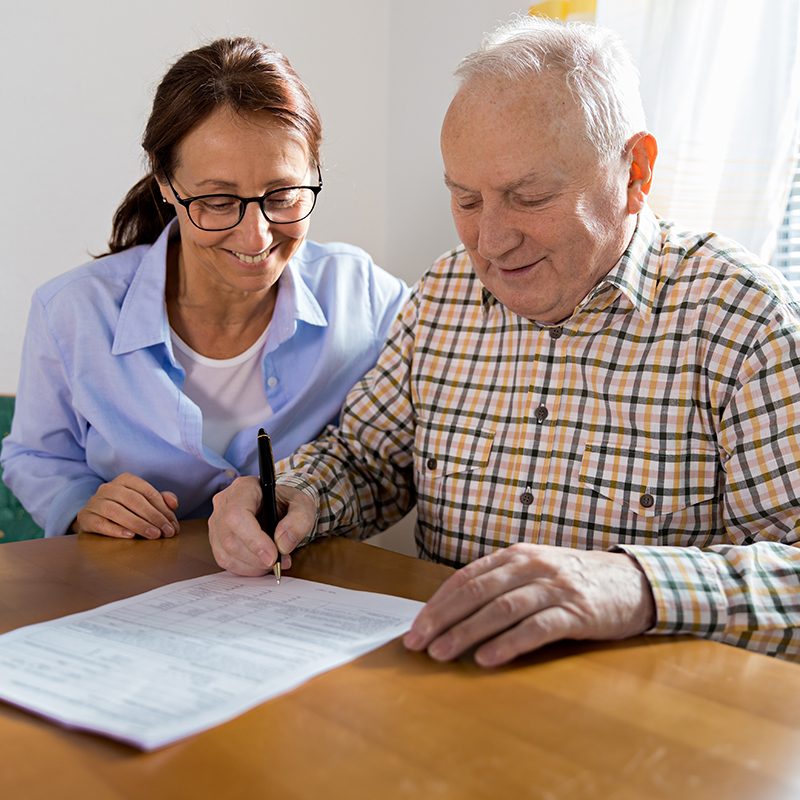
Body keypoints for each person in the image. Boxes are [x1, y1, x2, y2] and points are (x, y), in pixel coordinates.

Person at [207, 17, 800, 664]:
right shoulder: (444, 296)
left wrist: (640, 585)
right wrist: (295, 496)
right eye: (465, 200)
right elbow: (363, 461)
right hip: (444, 692)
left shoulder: (743, 321)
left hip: (646, 728)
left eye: (529, 197)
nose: (489, 243)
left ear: (635, 172)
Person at [0, 37, 407, 540]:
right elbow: (36, 454)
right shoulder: (74, 311)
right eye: (217, 200)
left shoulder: (366, 297)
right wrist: (82, 504)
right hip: (131, 593)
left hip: (297, 597)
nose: (256, 236)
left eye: (282, 195)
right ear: (166, 183)